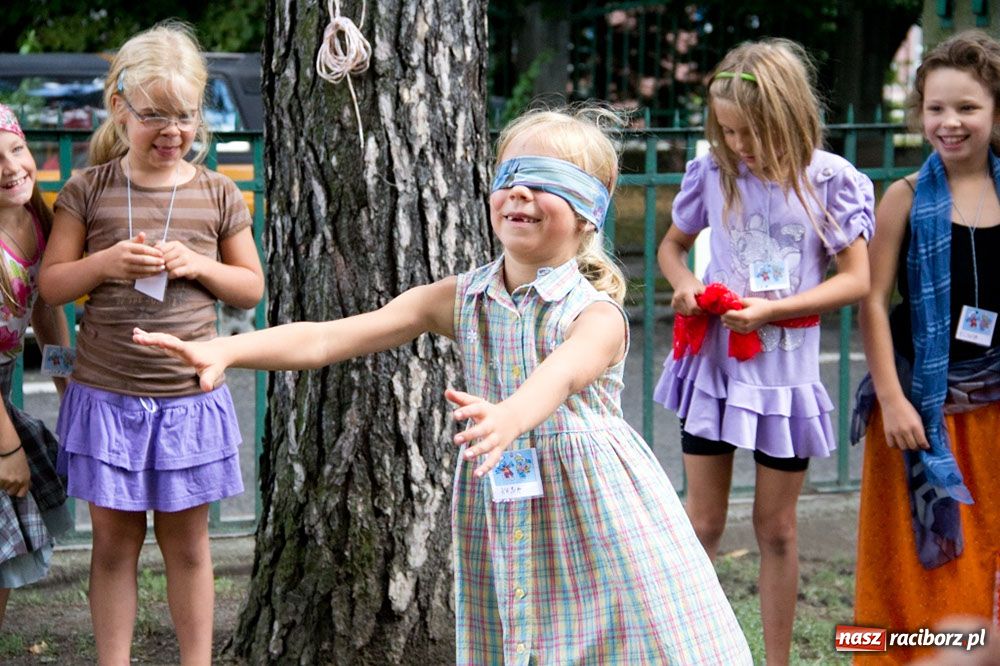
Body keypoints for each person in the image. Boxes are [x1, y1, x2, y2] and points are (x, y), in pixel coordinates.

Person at [133, 107, 753, 665]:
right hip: (509, 493)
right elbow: (330, 338)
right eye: (509, 177)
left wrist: (510, 416)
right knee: (522, 631)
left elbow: (561, 374)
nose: (520, 192)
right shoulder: (463, 299)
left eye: (546, 182)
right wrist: (227, 348)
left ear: (589, 211)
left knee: (621, 636)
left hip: (596, 506)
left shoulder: (595, 315)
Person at [36, 23, 263, 665]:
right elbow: (51, 285)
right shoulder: (89, 190)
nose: (172, 130)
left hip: (188, 401)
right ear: (120, 109)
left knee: (189, 548)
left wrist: (196, 266)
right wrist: (106, 263)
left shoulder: (218, 193)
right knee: (113, 547)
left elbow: (248, 288)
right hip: (109, 398)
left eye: (186, 116)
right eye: (154, 115)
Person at [652, 39, 874, 665]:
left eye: (751, 132)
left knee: (775, 529)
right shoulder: (714, 175)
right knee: (702, 527)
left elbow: (856, 280)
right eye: (726, 131)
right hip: (714, 372)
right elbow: (673, 246)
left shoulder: (830, 182)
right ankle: (692, 652)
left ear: (789, 116)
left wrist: (774, 311)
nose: (739, 145)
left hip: (785, 377)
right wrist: (685, 284)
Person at [852, 30, 1000, 665]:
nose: (950, 123)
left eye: (967, 107)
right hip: (917, 416)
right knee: (918, 571)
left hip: (993, 413)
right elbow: (872, 300)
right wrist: (893, 397)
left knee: (986, 558)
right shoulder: (904, 199)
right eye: (936, 108)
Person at [0, 104, 72, 627]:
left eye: (16, 149)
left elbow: (46, 310)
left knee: (8, 545)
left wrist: (69, 390)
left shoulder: (36, 219)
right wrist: (8, 450)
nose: (10, 167)